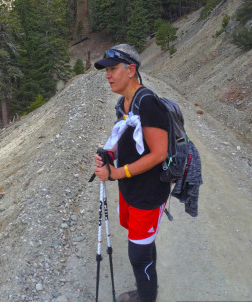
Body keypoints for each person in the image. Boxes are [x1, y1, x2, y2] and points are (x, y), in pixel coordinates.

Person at [92, 44, 170, 302]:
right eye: (107, 70)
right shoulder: (123, 102)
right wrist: (108, 155)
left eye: (113, 69)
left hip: (148, 193)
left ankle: (147, 297)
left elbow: (159, 153)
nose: (108, 75)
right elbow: (122, 138)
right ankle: (148, 289)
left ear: (131, 69)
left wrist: (116, 173)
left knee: (137, 256)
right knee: (142, 247)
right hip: (130, 189)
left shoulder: (148, 103)